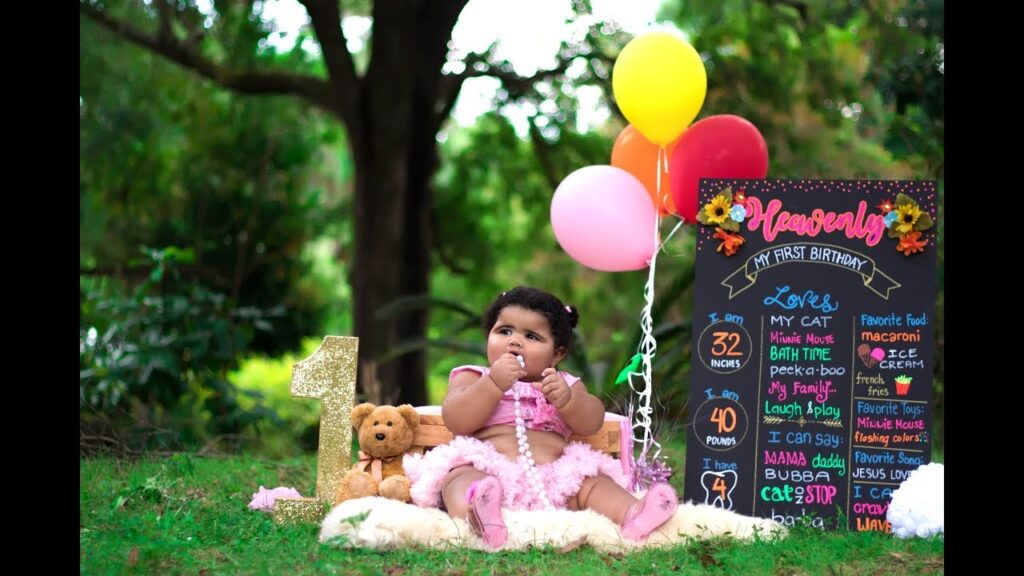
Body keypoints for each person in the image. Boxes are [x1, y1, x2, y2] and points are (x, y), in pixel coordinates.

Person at [403, 286, 678, 549]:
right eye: (504, 331)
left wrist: (568, 401)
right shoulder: (474, 376)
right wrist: (493, 384)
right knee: (459, 477)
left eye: (532, 336)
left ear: (556, 354)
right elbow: (456, 419)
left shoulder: (564, 384)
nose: (514, 340)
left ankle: (634, 513)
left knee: (592, 483)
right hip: (488, 469)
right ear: (489, 336)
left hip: (554, 478)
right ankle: (479, 512)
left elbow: (592, 421)